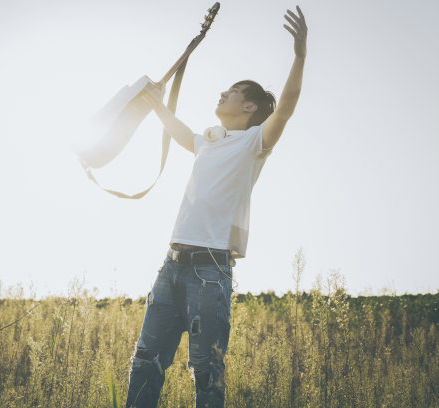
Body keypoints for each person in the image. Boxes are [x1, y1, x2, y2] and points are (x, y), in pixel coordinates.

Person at [124, 6, 308, 408]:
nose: (223, 93)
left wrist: (299, 54)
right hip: (171, 265)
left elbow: (288, 105)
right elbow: (180, 133)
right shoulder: (209, 140)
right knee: (145, 363)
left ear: (250, 109)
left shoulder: (254, 144)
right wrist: (155, 104)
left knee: (206, 374)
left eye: (234, 91)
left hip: (210, 272)